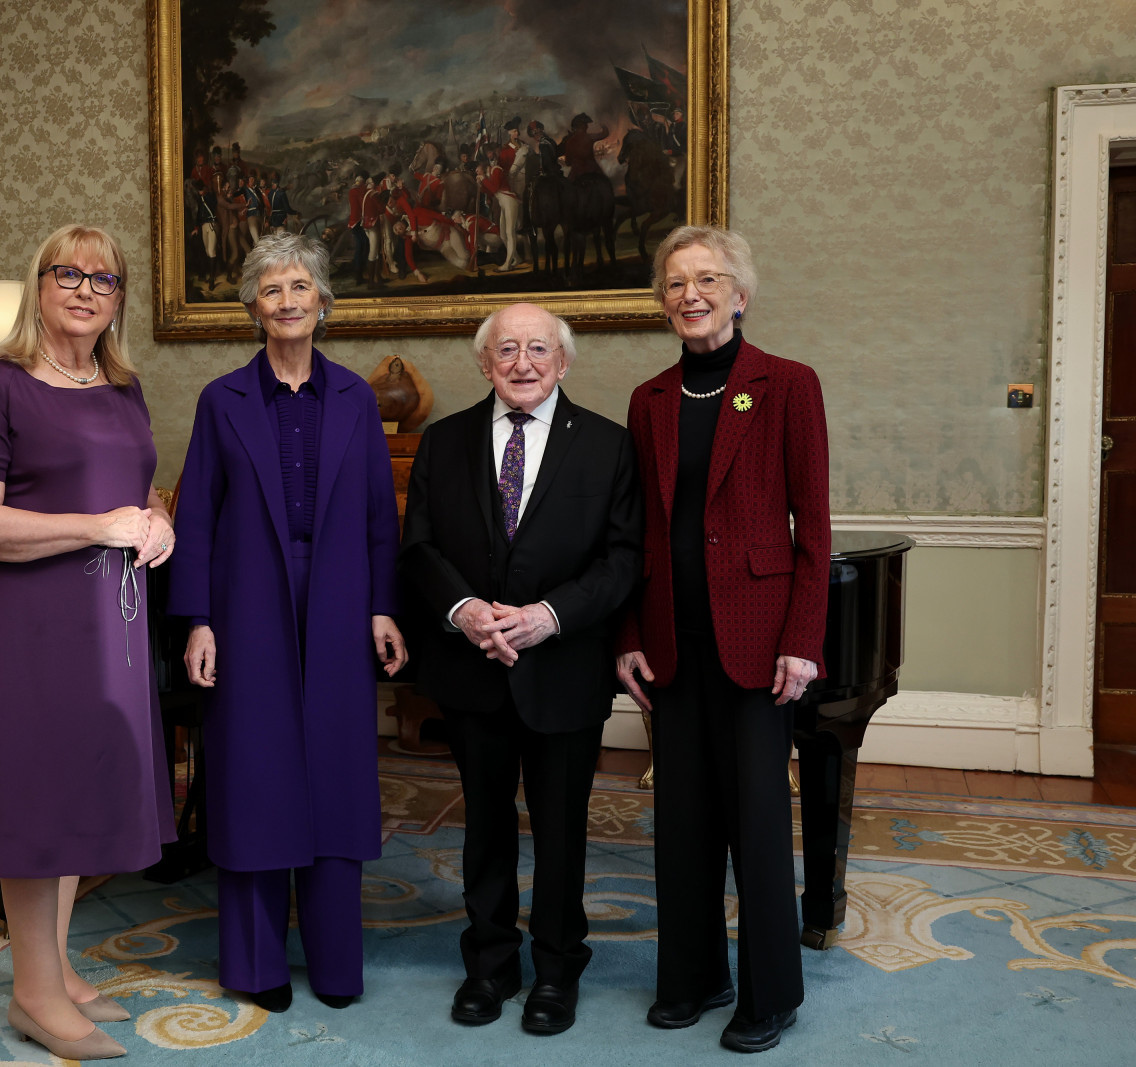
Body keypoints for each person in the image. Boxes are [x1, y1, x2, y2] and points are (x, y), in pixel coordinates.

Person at [0, 224, 178, 1061]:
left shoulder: (123, 387)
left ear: (119, 300)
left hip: (110, 621)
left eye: (104, 279)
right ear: (37, 285)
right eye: (67, 273)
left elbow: (136, 489)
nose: (85, 289)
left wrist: (158, 522)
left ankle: (57, 966)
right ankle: (34, 993)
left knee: (83, 787)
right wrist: (98, 525)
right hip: (28, 623)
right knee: (39, 794)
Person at [169, 231, 407, 1013]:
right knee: (253, 775)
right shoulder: (221, 400)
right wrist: (198, 620)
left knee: (336, 773)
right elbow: (197, 518)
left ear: (323, 303)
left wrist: (382, 606)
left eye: (300, 286)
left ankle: (337, 963)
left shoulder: (357, 398)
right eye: (271, 289)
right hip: (246, 603)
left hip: (338, 596)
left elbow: (380, 516)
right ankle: (254, 963)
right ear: (252, 308)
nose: (287, 300)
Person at [399, 303, 642, 1036]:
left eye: (539, 348)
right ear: (485, 361)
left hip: (563, 665)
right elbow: (419, 549)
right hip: (473, 665)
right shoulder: (441, 442)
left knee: (562, 829)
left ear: (563, 362)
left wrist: (545, 617)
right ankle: (491, 963)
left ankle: (558, 968)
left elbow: (623, 559)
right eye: (507, 349)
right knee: (485, 827)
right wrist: (469, 611)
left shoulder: (608, 446)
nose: (523, 362)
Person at [616, 225, 829, 1054]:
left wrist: (801, 639)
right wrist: (629, 633)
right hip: (673, 640)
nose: (690, 295)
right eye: (675, 283)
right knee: (683, 819)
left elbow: (813, 525)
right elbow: (637, 532)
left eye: (708, 279)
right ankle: (694, 976)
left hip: (757, 639)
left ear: (741, 295)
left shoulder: (787, 385)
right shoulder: (651, 399)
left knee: (758, 825)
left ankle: (771, 992)